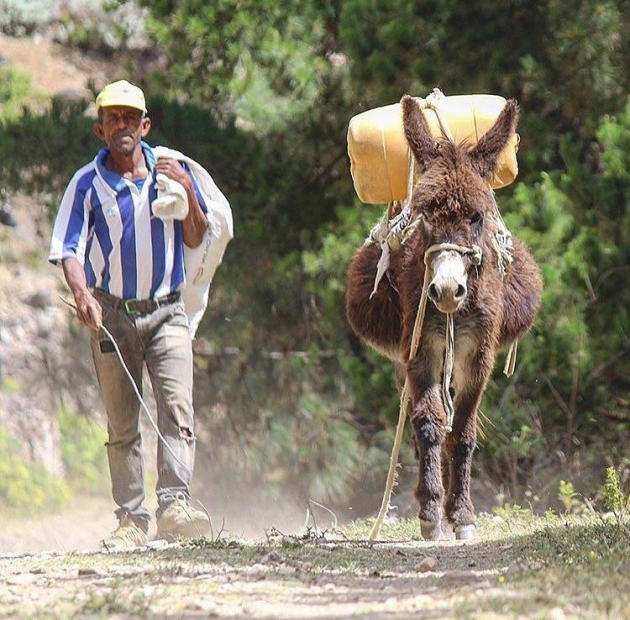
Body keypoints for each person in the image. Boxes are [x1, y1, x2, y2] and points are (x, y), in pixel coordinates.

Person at [49, 80, 223, 550]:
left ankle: (174, 505)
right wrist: (83, 295)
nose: (122, 125)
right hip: (111, 315)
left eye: (131, 117)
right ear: (99, 129)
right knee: (122, 423)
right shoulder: (86, 184)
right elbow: (68, 248)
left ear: (145, 125)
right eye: (113, 118)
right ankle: (130, 520)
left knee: (178, 410)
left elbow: (196, 236)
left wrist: (186, 186)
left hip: (168, 312)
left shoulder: (169, 173)